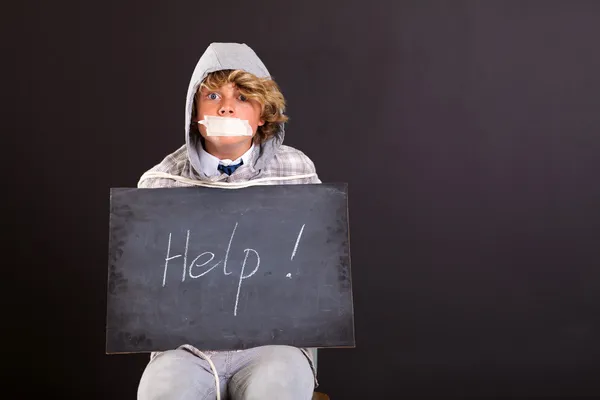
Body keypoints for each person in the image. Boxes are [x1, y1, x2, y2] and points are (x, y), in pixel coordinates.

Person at [136, 42, 321, 400]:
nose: (226, 106)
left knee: (279, 390)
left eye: (242, 97)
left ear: (263, 114)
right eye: (212, 95)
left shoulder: (297, 170)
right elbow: (146, 287)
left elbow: (316, 271)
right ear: (193, 112)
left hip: (274, 345)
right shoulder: (160, 182)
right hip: (186, 349)